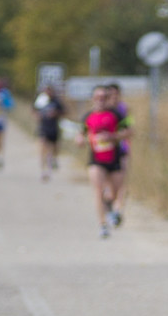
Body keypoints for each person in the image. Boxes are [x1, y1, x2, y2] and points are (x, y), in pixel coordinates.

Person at [76, 85, 130, 238]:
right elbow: (80, 135)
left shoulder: (116, 114)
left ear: (108, 99)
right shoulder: (87, 116)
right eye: (97, 97)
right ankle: (103, 225)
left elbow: (129, 131)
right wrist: (81, 140)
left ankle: (113, 210)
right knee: (98, 190)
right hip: (96, 160)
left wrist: (112, 137)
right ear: (92, 99)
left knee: (114, 192)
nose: (100, 100)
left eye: (103, 97)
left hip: (114, 157)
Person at [107, 83, 133, 224]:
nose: (114, 98)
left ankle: (117, 210)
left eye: (116, 94)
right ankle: (110, 206)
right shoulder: (102, 110)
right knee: (108, 185)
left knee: (121, 182)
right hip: (105, 153)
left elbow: (130, 128)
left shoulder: (124, 109)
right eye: (111, 95)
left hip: (122, 149)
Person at [34, 85, 65, 182]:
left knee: (54, 148)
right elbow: (34, 110)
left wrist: (56, 114)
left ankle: (54, 160)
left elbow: (64, 112)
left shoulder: (56, 101)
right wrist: (37, 116)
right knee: (43, 149)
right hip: (43, 128)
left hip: (54, 128)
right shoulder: (40, 100)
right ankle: (44, 170)